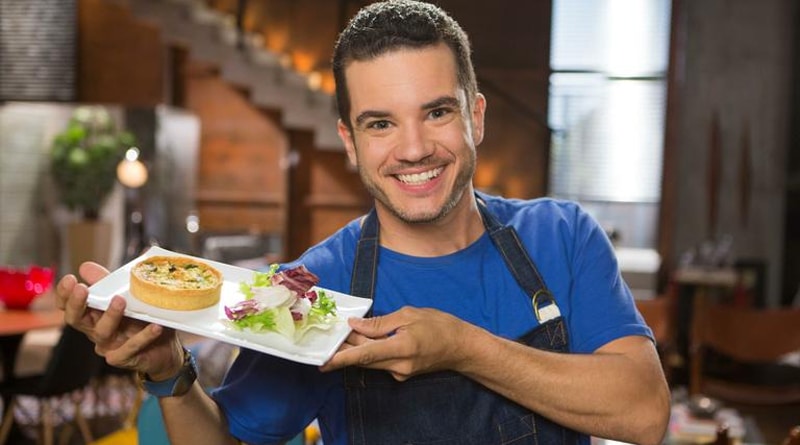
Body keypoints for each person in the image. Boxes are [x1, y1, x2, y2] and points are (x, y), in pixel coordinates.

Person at [56, 1, 671, 444]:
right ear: (350, 142)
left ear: (475, 118)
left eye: (436, 112)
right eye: (380, 123)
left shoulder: (559, 236)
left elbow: (644, 413)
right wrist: (170, 374)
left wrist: (463, 349)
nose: (412, 149)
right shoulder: (312, 285)